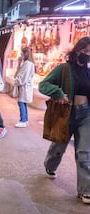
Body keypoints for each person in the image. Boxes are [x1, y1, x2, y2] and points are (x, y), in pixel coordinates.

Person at [39, 36, 90, 204]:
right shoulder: (64, 69)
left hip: (86, 115)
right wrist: (58, 93)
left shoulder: (88, 71)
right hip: (67, 114)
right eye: (85, 51)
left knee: (84, 153)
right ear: (77, 51)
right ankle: (50, 165)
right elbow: (43, 84)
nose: (87, 55)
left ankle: (85, 190)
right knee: (59, 146)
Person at [14, 47, 35, 128]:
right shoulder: (29, 63)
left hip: (24, 87)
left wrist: (16, 81)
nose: (21, 54)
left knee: (21, 102)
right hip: (25, 87)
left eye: (22, 53)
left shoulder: (27, 64)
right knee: (23, 102)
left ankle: (23, 120)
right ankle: (25, 119)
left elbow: (22, 77)